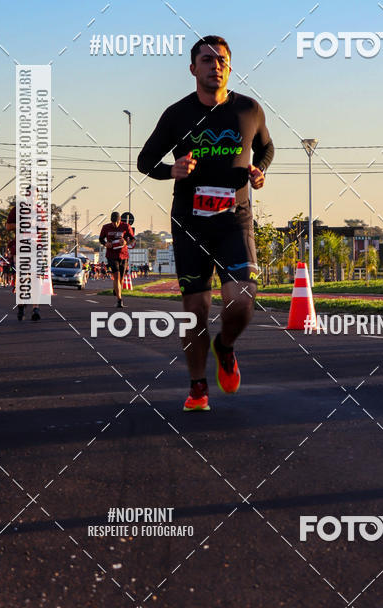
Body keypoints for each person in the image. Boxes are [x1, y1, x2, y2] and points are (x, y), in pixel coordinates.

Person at [137, 35, 274, 412]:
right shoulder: (176, 114)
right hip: (190, 222)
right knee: (195, 309)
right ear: (193, 68)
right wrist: (172, 170)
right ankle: (198, 386)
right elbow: (145, 160)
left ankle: (225, 347)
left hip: (235, 218)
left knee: (242, 300)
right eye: (207, 60)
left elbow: (266, 147)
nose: (216, 66)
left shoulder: (249, 109)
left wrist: (259, 171)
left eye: (223, 60)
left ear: (230, 67)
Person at [5, 205, 41, 321]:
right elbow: (8, 226)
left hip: (36, 249)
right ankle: (21, 306)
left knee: (36, 278)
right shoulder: (17, 210)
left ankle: (35, 309)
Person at [98, 211, 135, 308]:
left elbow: (132, 239)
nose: (115, 224)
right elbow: (101, 239)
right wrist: (105, 244)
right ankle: (119, 300)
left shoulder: (126, 226)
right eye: (113, 222)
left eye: (117, 222)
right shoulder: (106, 227)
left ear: (120, 220)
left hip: (123, 255)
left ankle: (116, 289)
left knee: (121, 279)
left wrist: (126, 243)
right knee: (116, 276)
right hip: (111, 255)